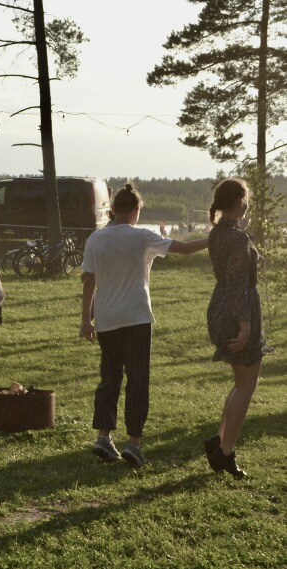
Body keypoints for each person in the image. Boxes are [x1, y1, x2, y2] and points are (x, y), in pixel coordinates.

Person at [79, 182, 209, 468]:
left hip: (107, 319)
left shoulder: (95, 240)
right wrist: (215, 238)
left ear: (112, 210)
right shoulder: (143, 237)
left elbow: (89, 281)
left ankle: (104, 437)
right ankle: (134, 443)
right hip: (137, 317)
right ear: (136, 210)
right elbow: (186, 249)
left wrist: (85, 319)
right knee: (138, 380)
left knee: (110, 378)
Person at [204, 178, 264, 478]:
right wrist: (245, 324)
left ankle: (219, 440)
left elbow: (232, 261)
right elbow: (240, 282)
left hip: (220, 306)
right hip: (237, 308)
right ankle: (225, 452)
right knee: (247, 384)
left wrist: (243, 230)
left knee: (240, 381)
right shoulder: (237, 238)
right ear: (240, 200)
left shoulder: (218, 233)